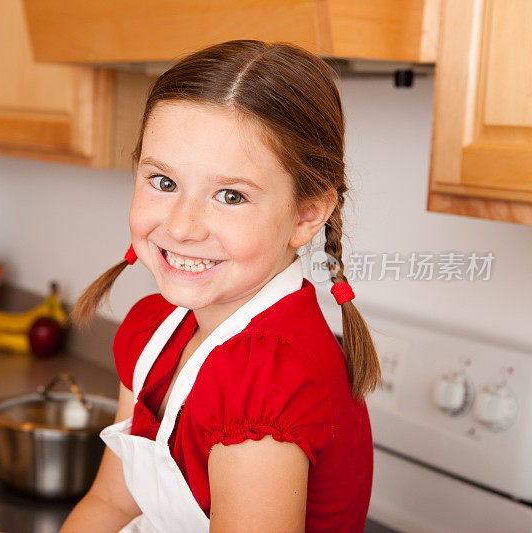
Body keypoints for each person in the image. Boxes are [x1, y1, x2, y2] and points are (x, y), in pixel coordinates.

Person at [61, 40, 380, 533]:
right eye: (163, 182)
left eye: (230, 195)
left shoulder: (268, 379)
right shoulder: (156, 330)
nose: (184, 226)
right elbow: (111, 504)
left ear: (306, 214)